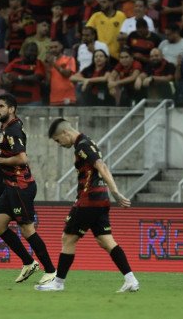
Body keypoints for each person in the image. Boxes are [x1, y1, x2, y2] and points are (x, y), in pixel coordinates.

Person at [36, 118, 139, 292]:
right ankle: (131, 280)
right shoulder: (87, 142)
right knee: (106, 240)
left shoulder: (82, 145)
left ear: (65, 133)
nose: (59, 144)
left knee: (68, 238)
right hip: (100, 199)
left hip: (89, 199)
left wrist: (116, 192)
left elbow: (102, 167)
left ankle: (58, 283)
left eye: (57, 140)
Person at [0, 61, 56, 285]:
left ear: (11, 109)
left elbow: (23, 158)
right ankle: (28, 262)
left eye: (1, 107)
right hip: (11, 186)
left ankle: (51, 270)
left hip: (21, 186)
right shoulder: (4, 122)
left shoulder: (13, 130)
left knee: (27, 229)